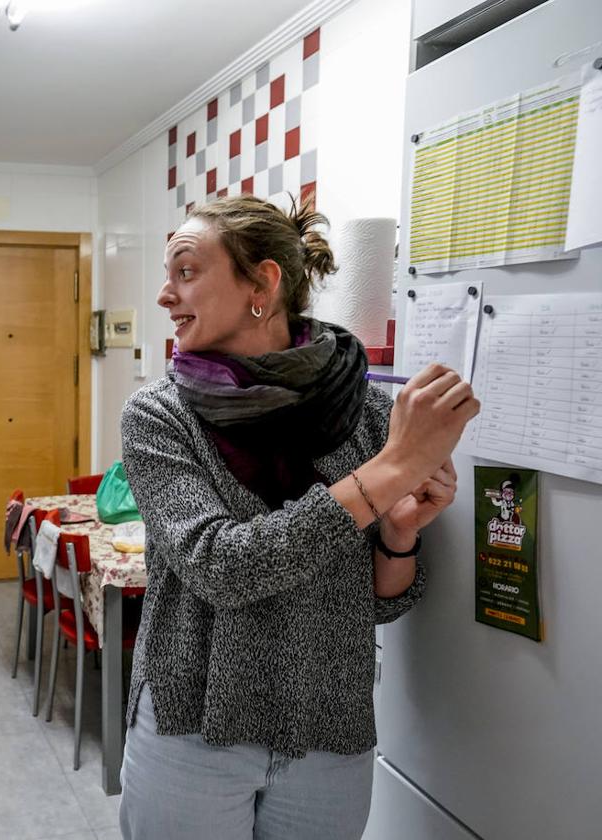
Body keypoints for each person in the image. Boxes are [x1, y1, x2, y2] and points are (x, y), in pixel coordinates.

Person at [117, 196, 479, 840]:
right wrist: (391, 469)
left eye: (185, 271)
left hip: (328, 730)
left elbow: (378, 607)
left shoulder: (369, 414)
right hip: (194, 724)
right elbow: (220, 567)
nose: (164, 295)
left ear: (262, 283)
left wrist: (397, 535)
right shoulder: (159, 416)